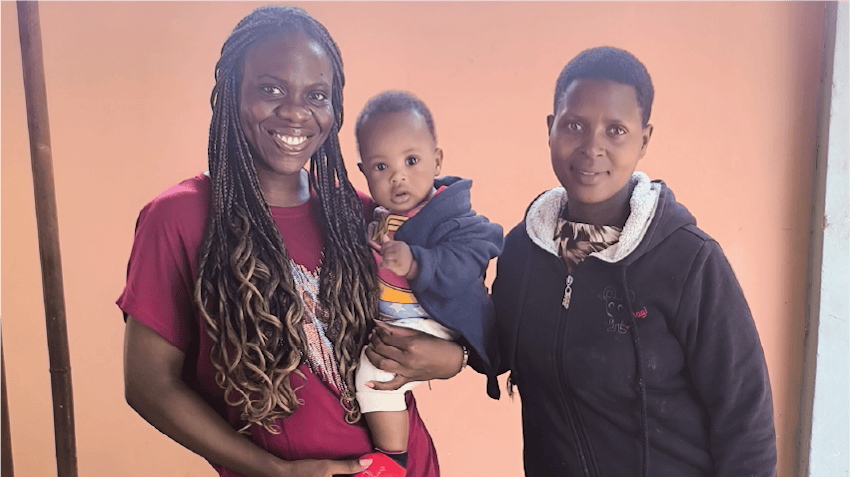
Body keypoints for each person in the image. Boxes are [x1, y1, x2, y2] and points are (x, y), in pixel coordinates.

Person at [118, 6, 460, 477]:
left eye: (316, 94)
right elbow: (149, 384)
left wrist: (453, 358)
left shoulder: (360, 213)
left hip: (406, 467)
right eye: (271, 88)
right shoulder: (179, 218)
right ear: (230, 93)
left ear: (334, 108)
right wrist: (273, 470)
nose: (296, 111)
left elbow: (451, 302)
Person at [490, 47, 777, 476]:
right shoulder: (525, 252)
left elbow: (746, 423)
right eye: (574, 125)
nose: (592, 148)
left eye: (616, 130)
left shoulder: (690, 263)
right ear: (550, 129)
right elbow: (496, 345)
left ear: (644, 140)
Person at [351, 91, 503, 475]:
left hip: (434, 319)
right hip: (396, 315)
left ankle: (392, 460)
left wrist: (418, 262)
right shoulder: (377, 217)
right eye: (381, 167)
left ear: (437, 160)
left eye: (412, 161)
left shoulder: (449, 213)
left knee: (373, 373)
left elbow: (474, 254)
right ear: (363, 173)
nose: (398, 176)